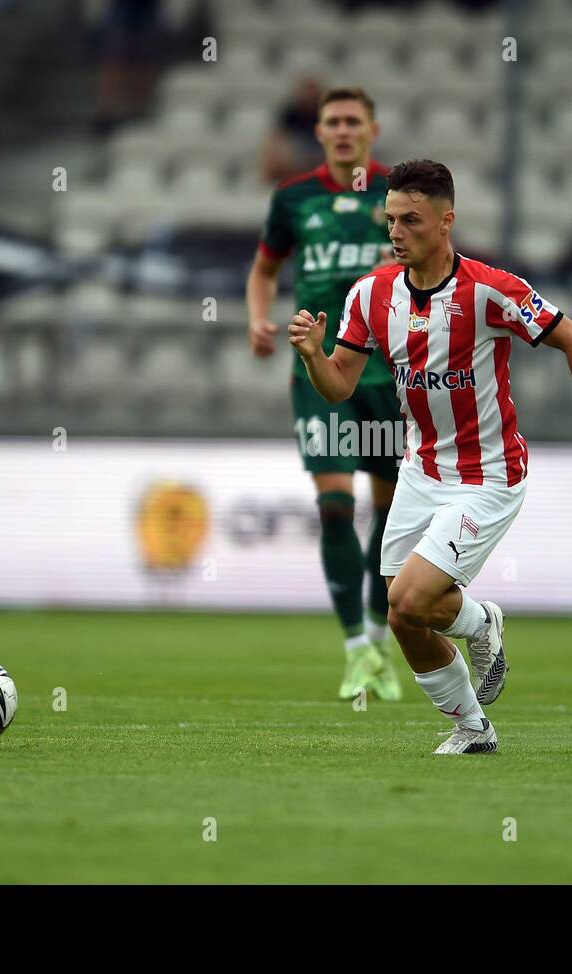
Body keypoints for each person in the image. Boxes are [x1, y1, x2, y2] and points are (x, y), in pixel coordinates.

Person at [288, 159, 572, 753]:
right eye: (390, 219)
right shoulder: (370, 295)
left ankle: (479, 622)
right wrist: (316, 357)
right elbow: (340, 385)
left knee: (408, 597)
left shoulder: (491, 291)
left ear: (446, 222)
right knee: (402, 617)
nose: (396, 232)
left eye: (410, 220)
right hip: (420, 471)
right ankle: (474, 727)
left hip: (488, 476)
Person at [246, 87, 407, 702]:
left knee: (390, 517)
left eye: (353, 122)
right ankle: (354, 651)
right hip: (317, 370)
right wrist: (257, 320)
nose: (343, 131)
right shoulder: (293, 198)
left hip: (389, 376)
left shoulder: (397, 196)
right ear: (318, 132)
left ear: (372, 128)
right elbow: (264, 269)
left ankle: (379, 640)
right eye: (332, 122)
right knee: (336, 506)